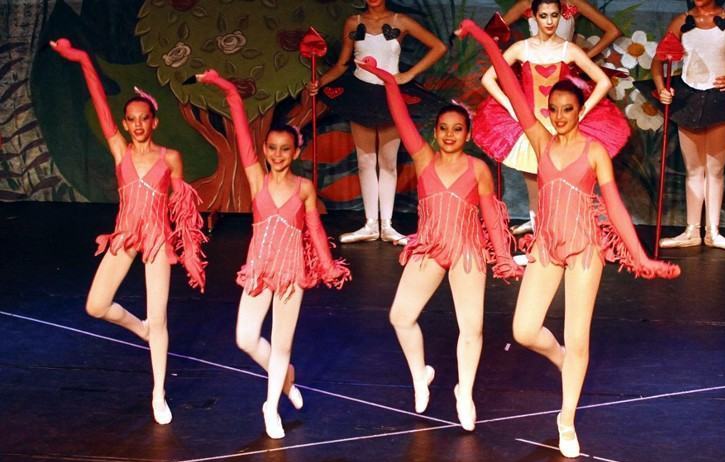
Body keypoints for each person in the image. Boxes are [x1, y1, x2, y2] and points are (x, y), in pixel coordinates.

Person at [457, 19, 679, 456]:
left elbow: (614, 210)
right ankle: (560, 360)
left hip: (583, 250)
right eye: (554, 109)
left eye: (567, 109)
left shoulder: (594, 152)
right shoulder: (539, 141)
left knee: (579, 337)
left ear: (580, 111)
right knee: (523, 330)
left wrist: (643, 259)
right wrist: (485, 39)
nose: (558, 116)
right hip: (546, 246)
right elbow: (508, 80)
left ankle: (566, 419)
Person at [356, 56, 524, 432]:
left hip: (466, 251)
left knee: (472, 327)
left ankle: (465, 392)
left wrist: (503, 258)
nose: (450, 134)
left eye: (458, 129)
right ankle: (421, 375)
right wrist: (388, 80)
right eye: (444, 128)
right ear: (435, 133)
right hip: (431, 247)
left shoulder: (477, 169)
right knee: (400, 316)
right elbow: (400, 118)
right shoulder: (423, 160)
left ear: (467, 134)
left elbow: (493, 218)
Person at [51, 39, 207, 425]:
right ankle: (140, 329)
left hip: (156, 241)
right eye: (131, 119)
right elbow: (100, 105)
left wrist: (185, 250)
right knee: (95, 306)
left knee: (161, 319)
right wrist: (84, 58)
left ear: (154, 121)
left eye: (144, 118)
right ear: (125, 124)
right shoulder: (120, 151)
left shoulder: (169, 157)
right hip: (124, 236)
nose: (138, 124)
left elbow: (182, 206)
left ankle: (158, 393)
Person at [199, 70, 351, 439]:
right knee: (245, 338)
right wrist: (225, 87)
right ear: (265, 151)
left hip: (291, 272)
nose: (278, 155)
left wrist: (328, 266)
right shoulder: (256, 180)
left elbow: (315, 229)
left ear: (296, 151)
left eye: (285, 149)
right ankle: (284, 379)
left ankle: (270, 407)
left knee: (282, 343)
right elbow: (239, 126)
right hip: (259, 269)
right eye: (272, 149)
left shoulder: (303, 188)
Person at [475, 0, 627, 236]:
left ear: (561, 16)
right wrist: (511, 107)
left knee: (561, 185)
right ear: (533, 16)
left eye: (554, 16)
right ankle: (539, 245)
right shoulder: (521, 49)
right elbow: (488, 78)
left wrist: (583, 110)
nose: (549, 21)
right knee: (534, 189)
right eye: (544, 16)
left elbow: (603, 82)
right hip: (530, 125)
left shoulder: (569, 50)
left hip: (561, 126)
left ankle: (564, 238)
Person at [309, 0, 446, 245]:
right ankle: (370, 224)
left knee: (387, 161)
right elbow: (342, 63)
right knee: (365, 160)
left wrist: (409, 75)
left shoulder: (400, 21)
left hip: (390, 94)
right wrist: (319, 83)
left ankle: (388, 225)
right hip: (360, 93)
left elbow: (438, 47)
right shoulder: (354, 22)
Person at [653, 0, 725, 252]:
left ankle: (714, 233)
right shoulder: (682, 22)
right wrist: (662, 88)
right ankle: (691, 231)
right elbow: (659, 61)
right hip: (689, 98)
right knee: (694, 168)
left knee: (714, 169)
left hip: (720, 98)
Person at [502, 0, 620, 59]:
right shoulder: (526, 4)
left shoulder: (573, 3)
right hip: (533, 66)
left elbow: (613, 31)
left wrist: (584, 58)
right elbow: (493, 32)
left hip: (564, 68)